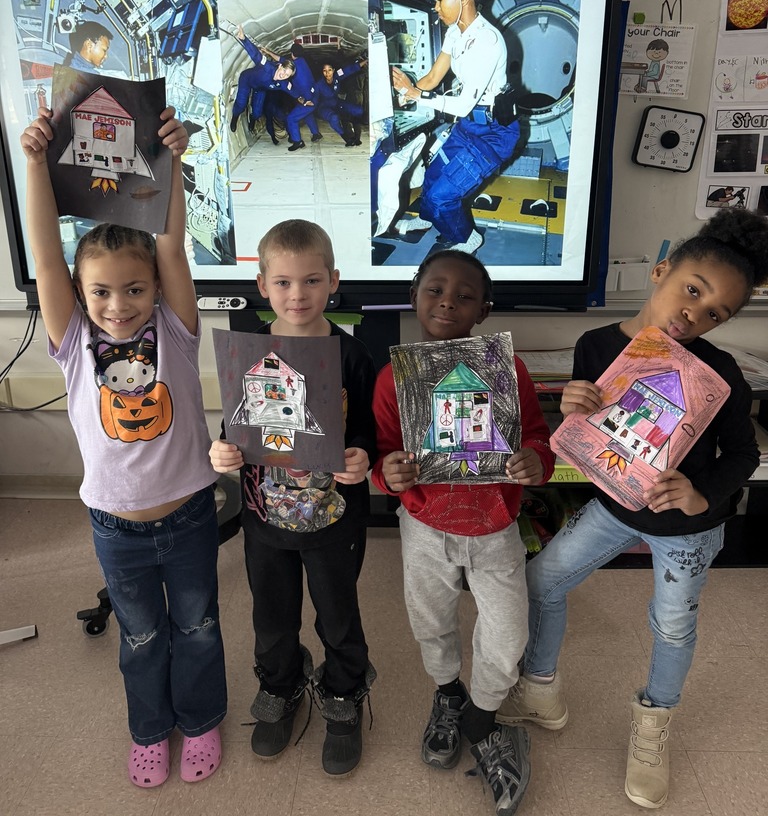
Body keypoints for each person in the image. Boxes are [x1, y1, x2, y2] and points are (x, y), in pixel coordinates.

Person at [498, 208, 768, 810]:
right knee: (541, 580)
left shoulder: (718, 374)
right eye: (691, 291)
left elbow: (744, 453)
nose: (692, 315)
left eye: (713, 313)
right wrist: (572, 402)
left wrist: (703, 494)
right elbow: (591, 431)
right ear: (661, 270)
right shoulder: (597, 344)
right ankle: (541, 690)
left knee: (672, 625)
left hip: (688, 530)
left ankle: (654, 724)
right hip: (616, 507)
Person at [21, 105, 227, 789]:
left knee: (196, 626)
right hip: (116, 526)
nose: (119, 304)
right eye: (102, 292)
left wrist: (170, 159)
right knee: (140, 636)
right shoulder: (74, 344)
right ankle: (149, 729)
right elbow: (47, 251)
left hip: (191, 513)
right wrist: (33, 162)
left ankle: (200, 719)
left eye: (134, 289)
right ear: (81, 295)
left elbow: (169, 248)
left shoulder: (176, 328)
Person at [372, 250, 555, 816]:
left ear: (484, 311)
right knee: (430, 618)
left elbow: (538, 440)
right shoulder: (392, 378)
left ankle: (483, 716)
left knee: (506, 632)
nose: (447, 300)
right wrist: (389, 473)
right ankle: (448, 695)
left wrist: (532, 460)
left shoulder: (509, 371)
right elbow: (383, 454)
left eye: (465, 295)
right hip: (424, 524)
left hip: (495, 525)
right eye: (435, 290)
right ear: (414, 297)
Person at [209, 220, 377, 777]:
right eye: (282, 282)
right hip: (265, 524)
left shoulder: (353, 357)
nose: (297, 294)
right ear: (261, 285)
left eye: (310, 280)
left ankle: (344, 692)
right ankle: (280, 686)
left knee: (338, 614)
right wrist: (224, 453)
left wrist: (362, 458)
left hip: (334, 522)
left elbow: (369, 435)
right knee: (272, 616)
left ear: (334, 280)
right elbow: (235, 430)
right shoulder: (247, 355)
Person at [391, 0, 519, 255]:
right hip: (468, 126)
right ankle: (427, 220)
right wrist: (401, 93)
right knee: (433, 179)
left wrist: (416, 95)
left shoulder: (488, 41)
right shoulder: (454, 33)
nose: (435, 8)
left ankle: (466, 238)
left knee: (441, 197)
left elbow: (461, 105)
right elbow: (434, 77)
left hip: (493, 134)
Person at [230, 26, 296, 144]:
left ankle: (252, 121)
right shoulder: (267, 67)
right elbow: (256, 55)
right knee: (241, 104)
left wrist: (304, 99)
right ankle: (235, 117)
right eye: (284, 71)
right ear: (280, 66)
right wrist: (243, 39)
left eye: (287, 75)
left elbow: (293, 92)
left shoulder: (283, 83)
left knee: (257, 112)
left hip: (260, 89)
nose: (283, 75)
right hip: (247, 80)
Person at [315, 58, 368, 146]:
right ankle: (347, 138)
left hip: (336, 103)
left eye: (329, 70)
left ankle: (356, 135)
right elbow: (312, 96)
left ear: (333, 70)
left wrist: (365, 61)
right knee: (334, 118)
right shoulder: (319, 84)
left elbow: (349, 70)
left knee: (358, 110)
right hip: (323, 107)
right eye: (324, 71)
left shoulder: (337, 76)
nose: (327, 73)